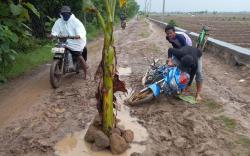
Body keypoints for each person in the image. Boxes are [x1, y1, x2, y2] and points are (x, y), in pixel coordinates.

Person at [50, 6, 88, 79]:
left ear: (70, 14)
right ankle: (58, 65)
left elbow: (81, 31)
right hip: (63, 41)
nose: (65, 15)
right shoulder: (59, 21)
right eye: (63, 14)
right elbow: (55, 31)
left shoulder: (76, 21)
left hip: (75, 41)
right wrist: (52, 35)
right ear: (61, 14)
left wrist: (78, 35)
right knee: (57, 51)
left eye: (66, 14)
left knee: (78, 55)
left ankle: (85, 71)